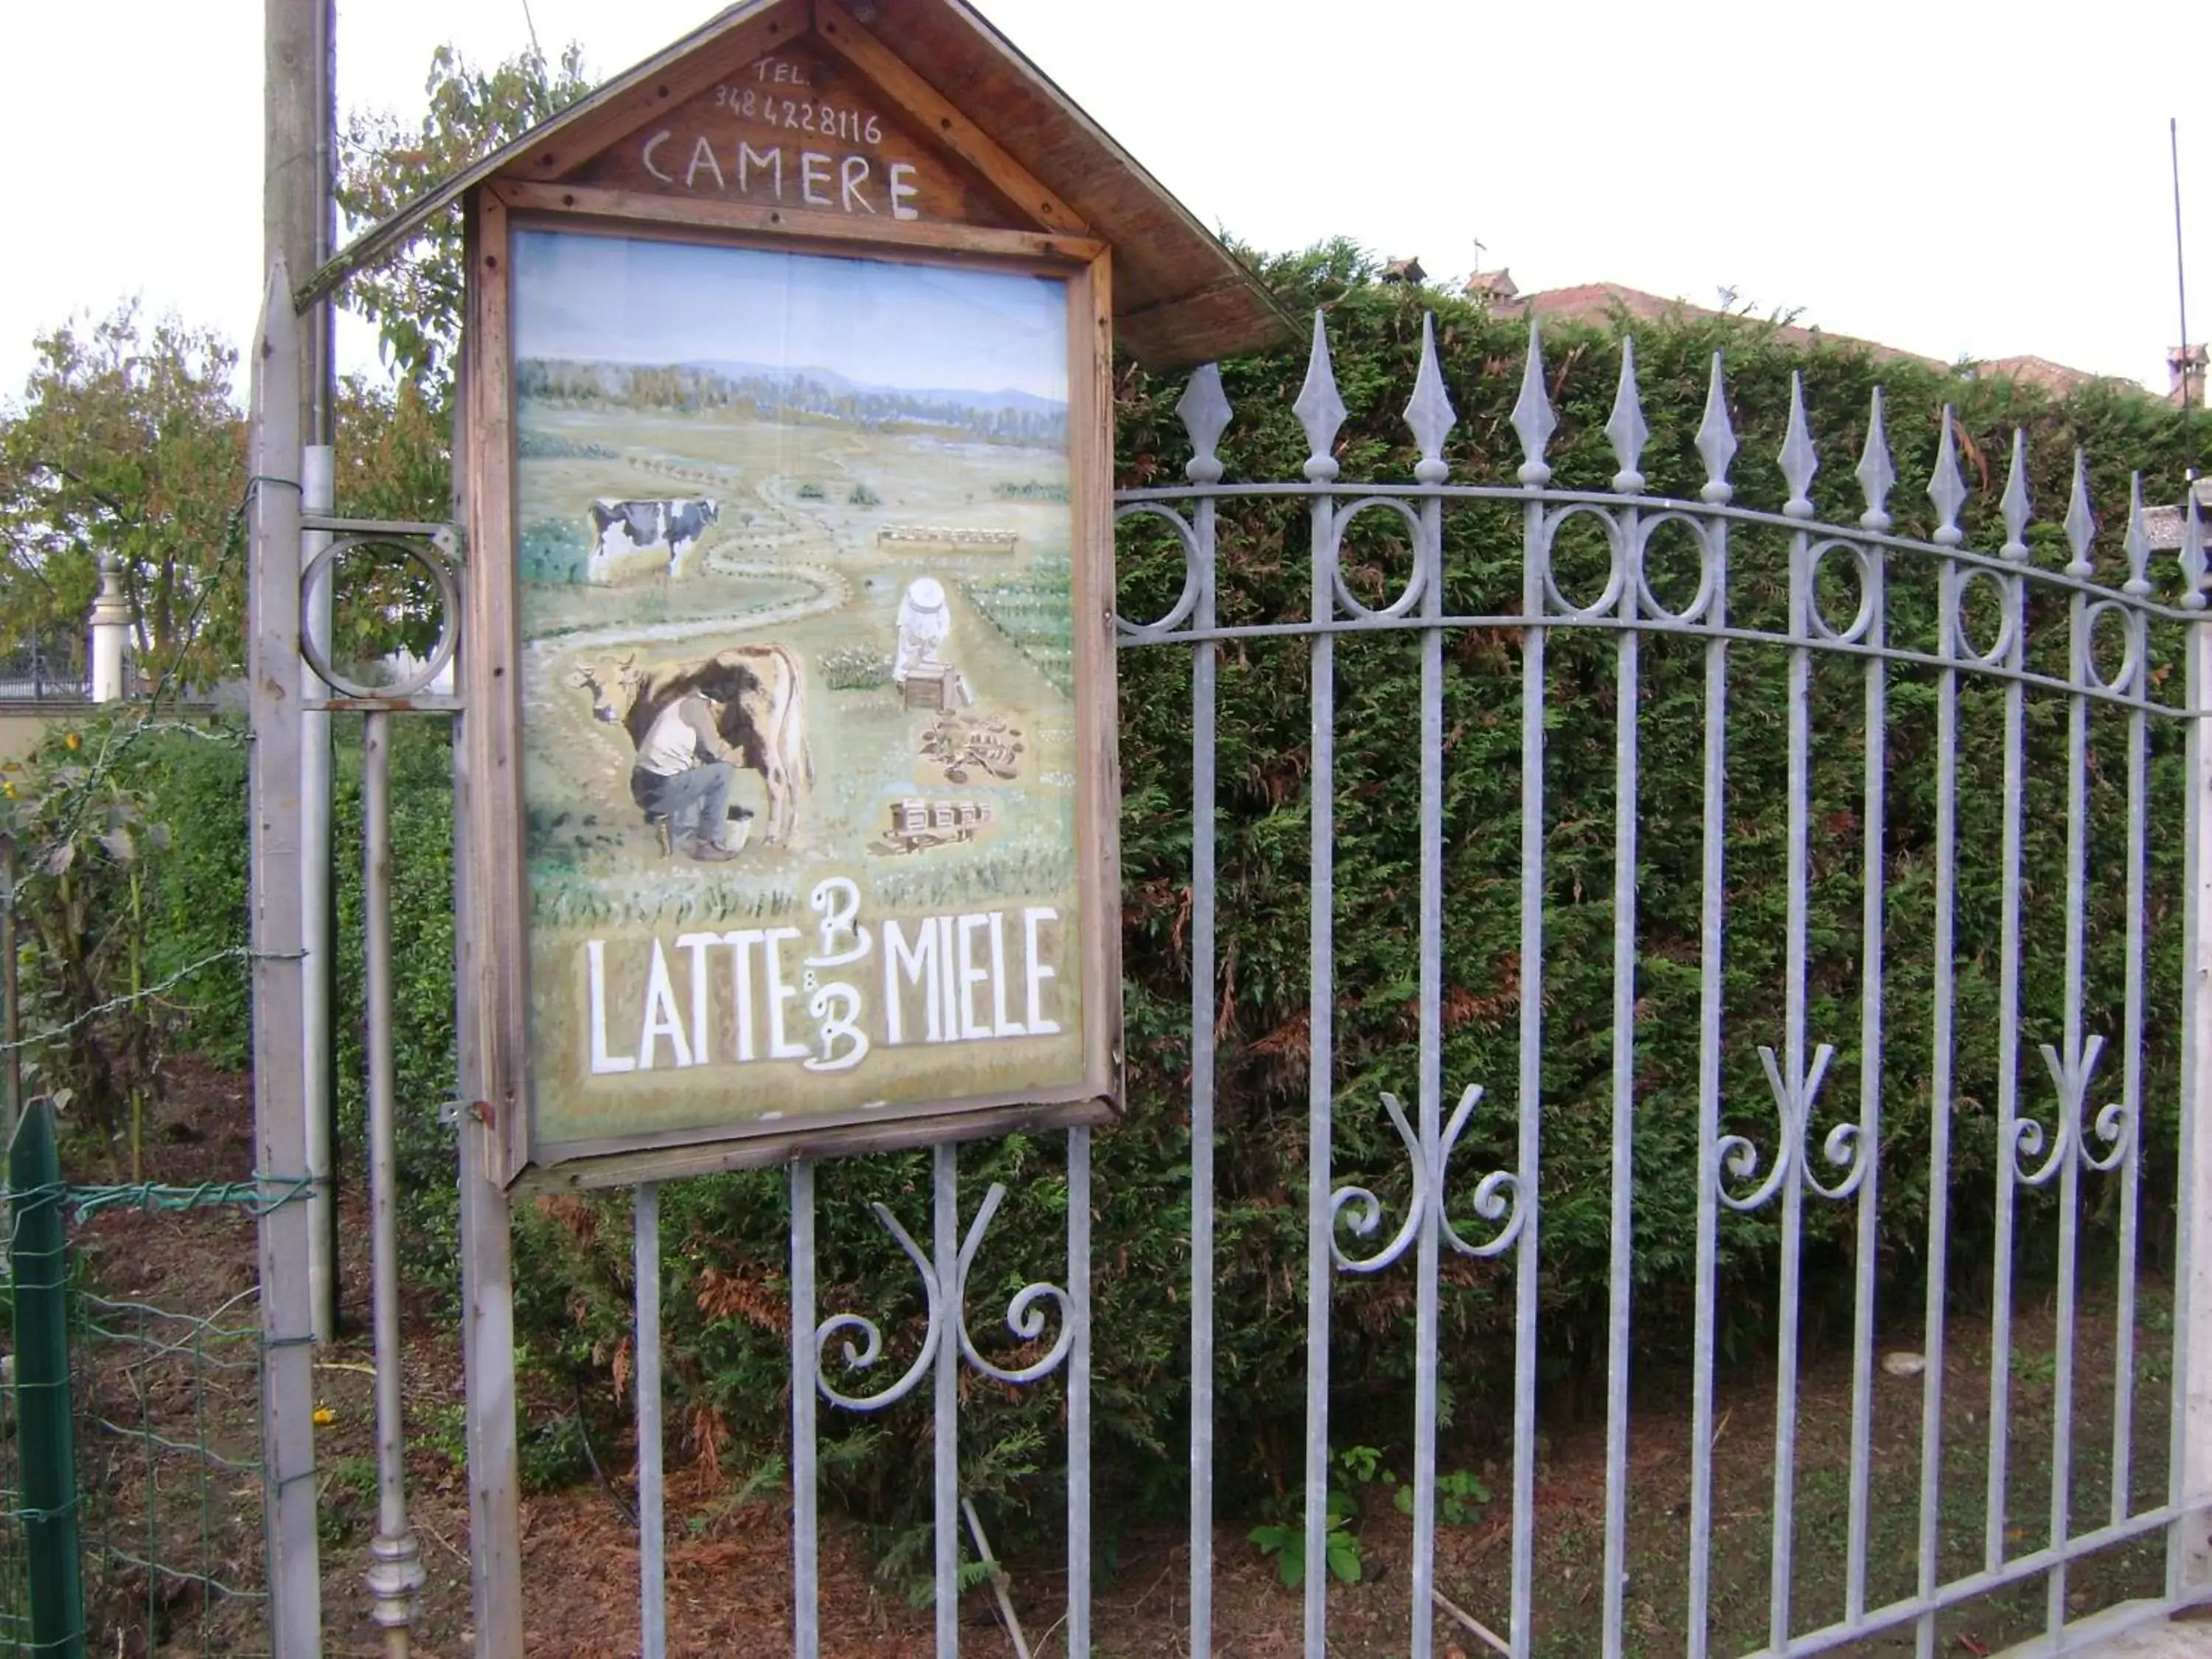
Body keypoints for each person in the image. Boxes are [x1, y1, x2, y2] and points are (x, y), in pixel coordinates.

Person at [630, 688, 748, 862]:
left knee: (701, 771)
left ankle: (685, 831)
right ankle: (708, 843)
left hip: (642, 785)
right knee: (723, 771)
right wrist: (739, 755)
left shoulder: (680, 706)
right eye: (718, 712)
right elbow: (718, 750)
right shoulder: (697, 708)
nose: (716, 719)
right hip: (663, 788)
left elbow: (704, 751)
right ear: (712, 703)